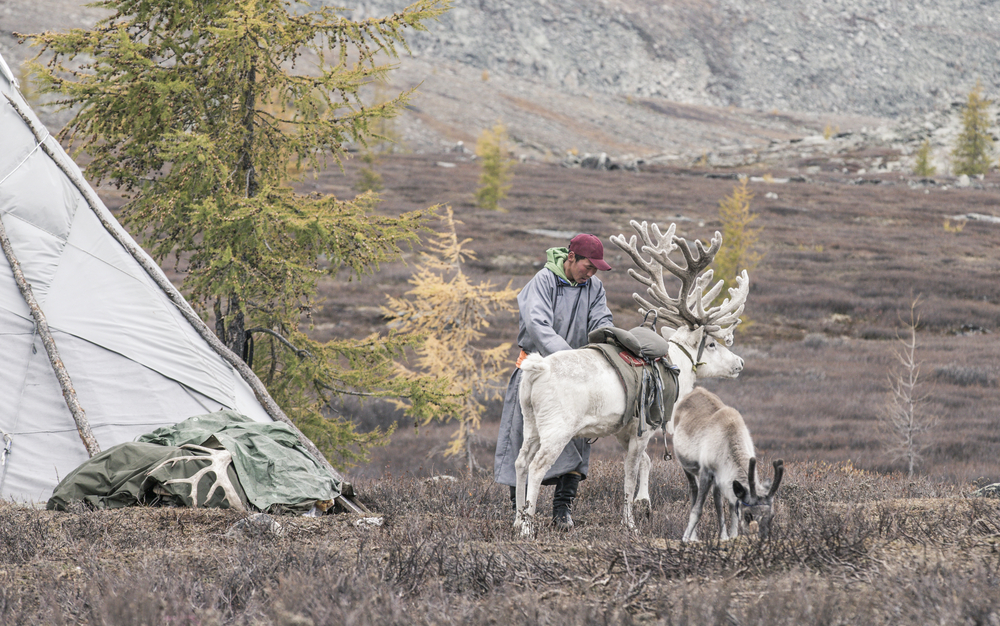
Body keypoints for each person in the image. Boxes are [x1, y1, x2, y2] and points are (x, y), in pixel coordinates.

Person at [494, 233, 614, 530]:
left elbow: (602, 321)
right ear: (571, 258)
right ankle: (519, 510)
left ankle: (562, 511)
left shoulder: (594, 287)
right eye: (589, 266)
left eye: (596, 269)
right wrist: (567, 359)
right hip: (538, 371)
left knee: (578, 439)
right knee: (525, 438)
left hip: (578, 378)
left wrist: (607, 343)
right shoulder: (543, 281)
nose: (592, 273)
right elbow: (537, 326)